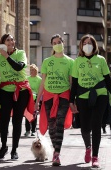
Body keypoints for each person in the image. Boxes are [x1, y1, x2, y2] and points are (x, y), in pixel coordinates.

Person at [69, 34, 111, 169]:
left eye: (89, 43)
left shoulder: (101, 60)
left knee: (96, 125)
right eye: (85, 43)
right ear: (81, 46)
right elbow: (74, 84)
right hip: (83, 96)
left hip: (100, 96)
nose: (87, 45)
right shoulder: (77, 61)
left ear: (94, 45)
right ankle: (88, 147)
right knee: (85, 127)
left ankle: (95, 157)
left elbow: (108, 82)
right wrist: (71, 101)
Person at [35, 34, 74, 166]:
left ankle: (56, 154)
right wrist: (36, 102)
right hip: (48, 96)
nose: (57, 44)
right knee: (52, 126)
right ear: (52, 45)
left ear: (63, 43)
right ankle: (55, 149)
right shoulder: (47, 61)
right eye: (54, 42)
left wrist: (73, 100)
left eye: (59, 42)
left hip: (63, 95)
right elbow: (42, 83)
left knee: (59, 125)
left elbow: (71, 83)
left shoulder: (70, 62)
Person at [0, 33, 34, 160]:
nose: (11, 41)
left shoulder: (21, 53)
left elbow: (18, 67)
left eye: (12, 39)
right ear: (2, 43)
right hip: (5, 91)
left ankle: (14, 150)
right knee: (4, 120)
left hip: (21, 90)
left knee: (17, 121)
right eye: (7, 40)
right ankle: (3, 146)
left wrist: (6, 56)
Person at [24, 64, 42, 137]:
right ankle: (27, 130)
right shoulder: (27, 78)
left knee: (34, 115)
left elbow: (41, 90)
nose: (32, 72)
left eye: (34, 70)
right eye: (31, 70)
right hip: (28, 98)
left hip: (36, 99)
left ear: (36, 71)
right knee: (27, 114)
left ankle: (33, 130)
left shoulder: (39, 79)